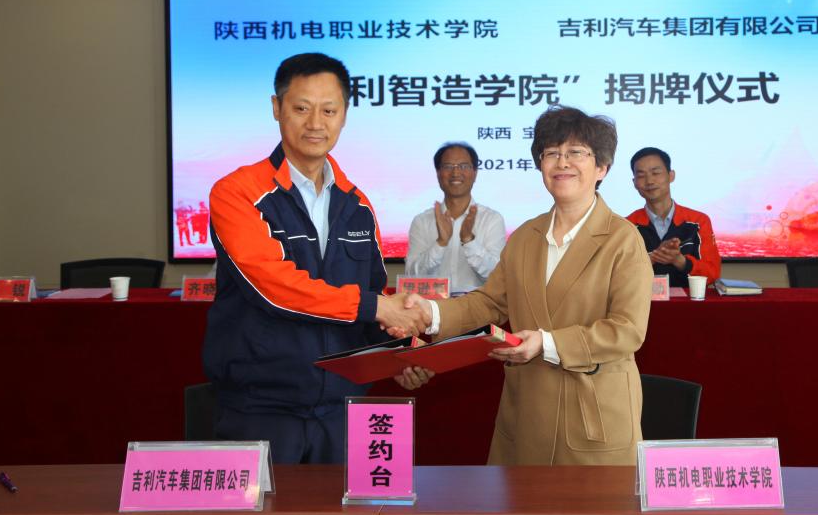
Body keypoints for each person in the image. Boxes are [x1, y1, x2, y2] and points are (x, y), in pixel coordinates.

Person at [203, 52, 430, 464]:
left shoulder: (358, 205)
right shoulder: (237, 192)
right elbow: (273, 287)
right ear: (277, 108)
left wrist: (398, 354)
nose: (315, 123)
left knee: (348, 509)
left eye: (329, 110)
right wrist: (377, 306)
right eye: (301, 108)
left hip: (342, 411)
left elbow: (370, 298)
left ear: (344, 115)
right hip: (262, 410)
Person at [400, 106, 651, 465]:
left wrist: (547, 343)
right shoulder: (524, 237)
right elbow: (488, 303)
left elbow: (627, 330)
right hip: (528, 413)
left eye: (576, 152)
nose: (562, 162)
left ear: (602, 168)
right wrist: (430, 312)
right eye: (551, 153)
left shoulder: (623, 238)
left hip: (592, 415)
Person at [405, 142, 507, 293]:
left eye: (464, 166)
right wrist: (440, 243)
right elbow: (411, 277)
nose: (456, 172)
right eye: (448, 166)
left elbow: (496, 275)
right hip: (432, 306)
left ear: (475, 173)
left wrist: (469, 240)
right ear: (438, 173)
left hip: (476, 306)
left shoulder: (492, 220)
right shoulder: (421, 221)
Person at [625, 147, 721, 287]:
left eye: (655, 173)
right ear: (634, 183)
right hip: (642, 301)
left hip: (688, 301)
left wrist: (680, 261)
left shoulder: (698, 221)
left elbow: (712, 273)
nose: (649, 181)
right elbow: (617, 276)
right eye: (641, 176)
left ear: (671, 176)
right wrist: (652, 258)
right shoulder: (627, 226)